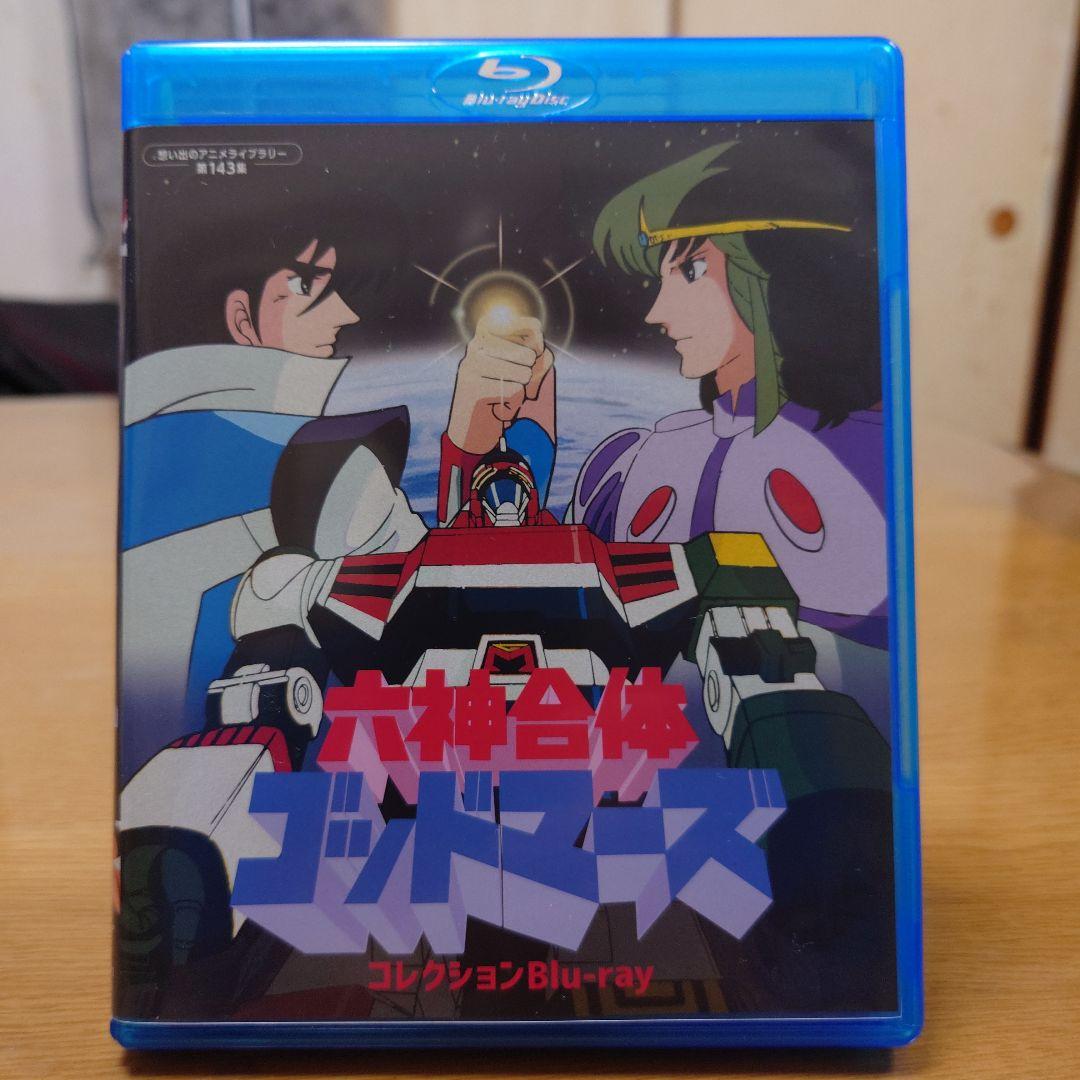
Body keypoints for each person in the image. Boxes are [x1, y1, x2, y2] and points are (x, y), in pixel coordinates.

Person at [569, 141, 889, 661]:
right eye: (662, 277)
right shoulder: (631, 461)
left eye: (691, 271)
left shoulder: (867, 464)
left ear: (778, 279)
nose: (657, 312)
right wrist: (486, 447)